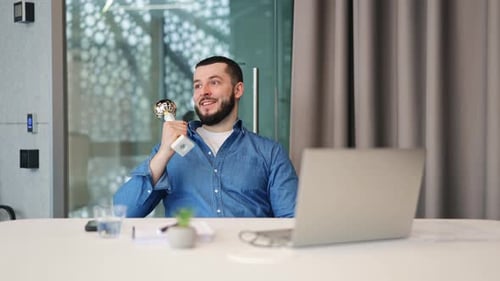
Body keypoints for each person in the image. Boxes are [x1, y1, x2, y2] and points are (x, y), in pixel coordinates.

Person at [113, 56, 298, 218]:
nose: (204, 91)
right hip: (188, 254)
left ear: (238, 90)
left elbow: (292, 221)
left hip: (247, 254)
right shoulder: (168, 151)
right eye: (198, 85)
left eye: (214, 82)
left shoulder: (270, 152)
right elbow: (125, 212)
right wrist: (163, 154)